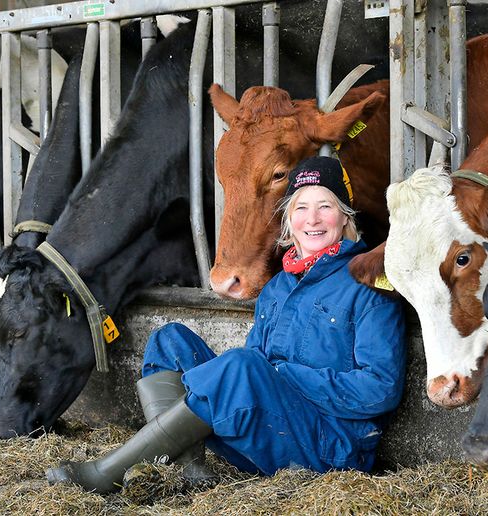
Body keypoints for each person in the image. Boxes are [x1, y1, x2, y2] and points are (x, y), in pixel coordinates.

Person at [46, 155, 407, 493]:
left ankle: (106, 474)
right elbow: (257, 369)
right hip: (270, 433)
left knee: (244, 366)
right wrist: (264, 376)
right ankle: (190, 466)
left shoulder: (369, 283)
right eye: (301, 207)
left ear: (344, 217)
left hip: (329, 449)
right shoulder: (278, 286)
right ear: (288, 219)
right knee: (169, 341)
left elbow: (380, 389)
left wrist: (284, 375)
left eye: (325, 206)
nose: (312, 219)